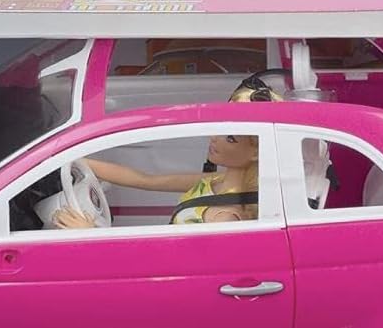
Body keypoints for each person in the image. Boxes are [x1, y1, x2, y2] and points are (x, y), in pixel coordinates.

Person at [52, 77, 280, 229]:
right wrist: (70, 160)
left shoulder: (227, 218)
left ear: (256, 153)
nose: (214, 138)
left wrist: (90, 233)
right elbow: (146, 180)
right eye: (220, 128)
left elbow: (172, 264)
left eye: (230, 138)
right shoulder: (213, 181)